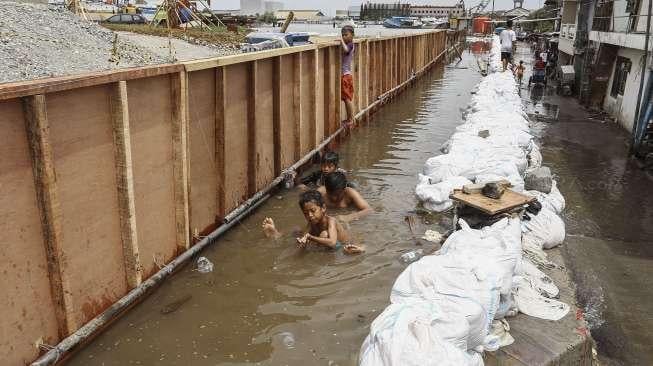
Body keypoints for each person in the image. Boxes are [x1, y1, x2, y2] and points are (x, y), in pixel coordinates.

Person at [261, 190, 363, 253]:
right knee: (296, 230)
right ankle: (277, 234)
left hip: (340, 246)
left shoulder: (331, 221)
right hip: (324, 244)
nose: (309, 215)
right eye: (306, 213)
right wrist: (302, 241)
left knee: (324, 234)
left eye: (313, 211)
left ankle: (361, 249)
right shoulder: (312, 222)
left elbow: (332, 242)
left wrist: (310, 237)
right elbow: (304, 237)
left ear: (323, 208)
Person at [341, 25, 356, 129]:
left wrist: (340, 40)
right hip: (347, 75)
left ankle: (351, 119)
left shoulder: (350, 45)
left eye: (346, 35)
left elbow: (346, 50)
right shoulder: (351, 44)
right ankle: (350, 118)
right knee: (346, 98)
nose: (344, 37)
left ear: (352, 35)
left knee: (347, 98)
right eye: (343, 35)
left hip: (345, 75)